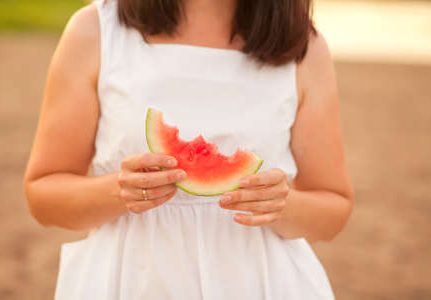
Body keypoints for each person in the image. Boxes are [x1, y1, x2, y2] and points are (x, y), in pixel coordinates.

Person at [23, 0, 354, 299]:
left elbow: (334, 210)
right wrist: (116, 191)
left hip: (263, 284)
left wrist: (283, 205)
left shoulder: (304, 46)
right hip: (129, 282)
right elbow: (42, 196)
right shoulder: (95, 30)